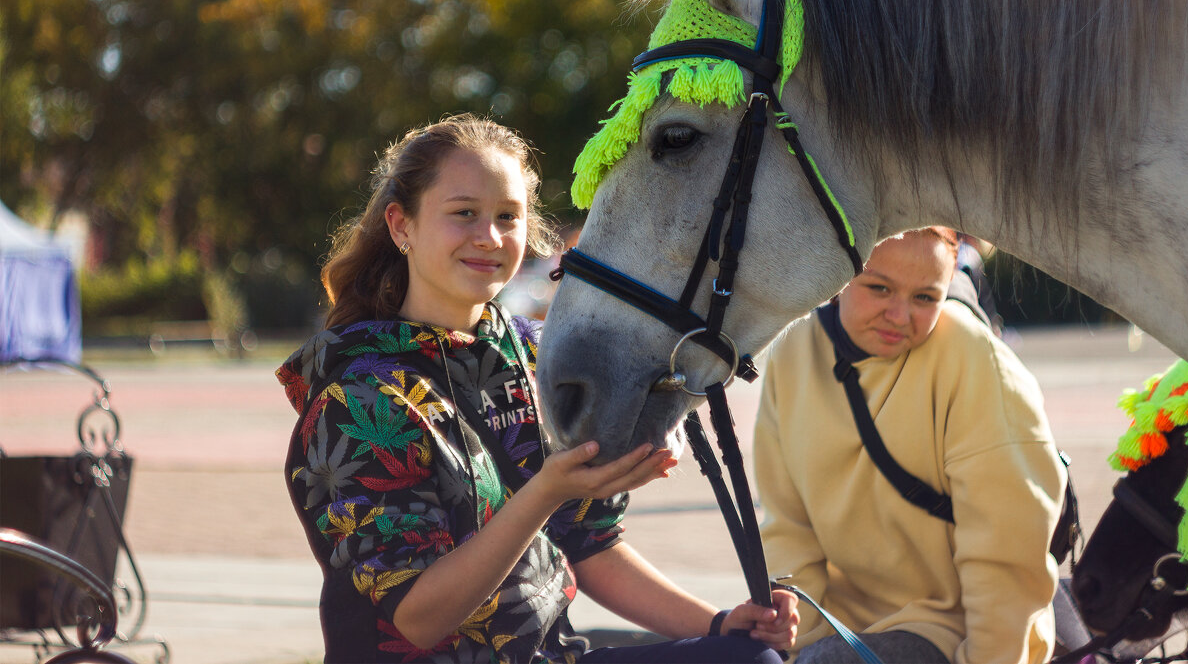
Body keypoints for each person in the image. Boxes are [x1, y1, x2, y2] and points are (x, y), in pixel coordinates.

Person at [277, 114, 799, 664]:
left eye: (508, 216)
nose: (490, 237)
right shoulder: (361, 397)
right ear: (401, 225)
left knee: (749, 659)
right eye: (464, 214)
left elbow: (592, 543)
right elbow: (420, 618)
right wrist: (547, 492)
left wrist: (720, 624)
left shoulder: (537, 356)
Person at [754, 227, 1064, 664]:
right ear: (835, 278)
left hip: (951, 627)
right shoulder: (792, 347)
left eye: (925, 298)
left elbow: (1007, 554)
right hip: (838, 623)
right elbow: (787, 524)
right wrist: (797, 640)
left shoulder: (976, 360)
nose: (900, 316)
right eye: (879, 288)